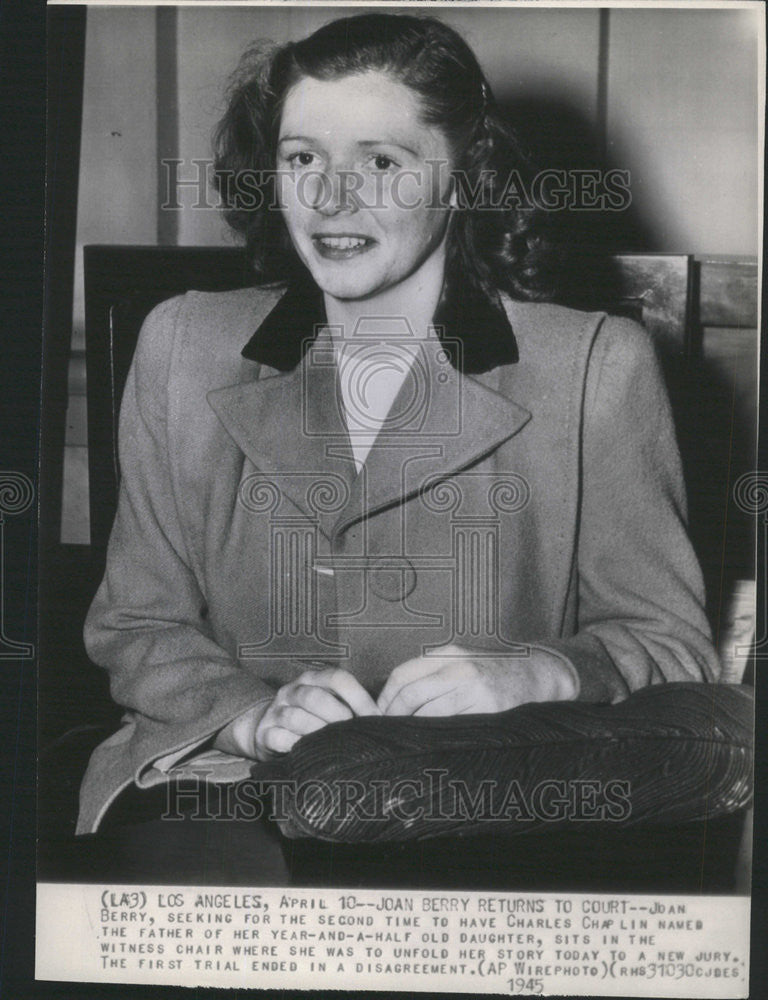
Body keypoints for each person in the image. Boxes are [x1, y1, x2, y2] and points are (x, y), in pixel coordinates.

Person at [77, 13, 719, 852]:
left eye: (381, 162)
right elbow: (135, 625)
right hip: (230, 794)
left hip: (489, 810)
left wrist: (549, 670)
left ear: (464, 179)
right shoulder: (183, 346)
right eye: (303, 158)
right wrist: (245, 717)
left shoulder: (597, 366)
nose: (331, 199)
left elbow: (670, 645)